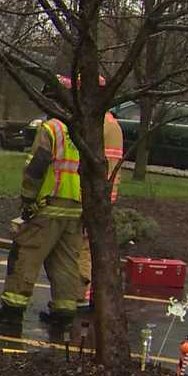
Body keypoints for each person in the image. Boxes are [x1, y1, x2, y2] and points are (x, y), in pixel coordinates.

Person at [0, 75, 84, 327]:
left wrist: (28, 200)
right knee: (65, 260)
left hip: (48, 204)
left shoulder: (51, 128)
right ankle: (64, 312)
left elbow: (36, 167)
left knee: (24, 254)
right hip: (75, 207)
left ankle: (12, 311)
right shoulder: (83, 128)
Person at [77, 101, 125, 310]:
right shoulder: (113, 124)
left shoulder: (93, 124)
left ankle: (81, 297)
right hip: (105, 195)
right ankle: (94, 295)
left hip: (89, 195)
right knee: (95, 246)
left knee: (82, 248)